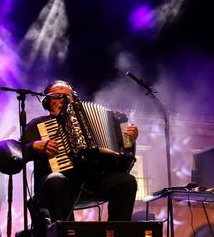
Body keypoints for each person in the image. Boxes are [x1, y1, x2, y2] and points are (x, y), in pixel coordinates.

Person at [23, 80, 139, 229]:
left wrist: (129, 141)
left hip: (94, 183)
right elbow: (18, 151)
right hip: (61, 185)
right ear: (47, 102)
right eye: (57, 97)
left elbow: (125, 160)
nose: (63, 101)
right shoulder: (39, 124)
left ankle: (117, 236)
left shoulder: (96, 119)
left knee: (127, 181)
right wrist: (33, 146)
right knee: (56, 180)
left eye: (67, 97)